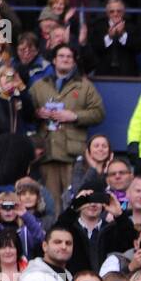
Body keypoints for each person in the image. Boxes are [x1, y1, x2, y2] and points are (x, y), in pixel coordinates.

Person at [27, 44, 105, 208]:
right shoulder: (39, 86)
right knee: (49, 203)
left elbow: (99, 113)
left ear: (74, 62)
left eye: (69, 57)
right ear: (54, 60)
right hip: (47, 152)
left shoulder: (85, 86)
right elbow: (25, 113)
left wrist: (74, 116)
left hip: (72, 155)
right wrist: (36, 113)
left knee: (73, 201)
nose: (65, 59)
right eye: (61, 56)